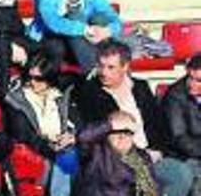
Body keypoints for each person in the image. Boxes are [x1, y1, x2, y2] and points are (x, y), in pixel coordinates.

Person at [74, 40, 195, 196]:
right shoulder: (89, 92)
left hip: (150, 155)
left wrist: (158, 150)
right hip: (115, 160)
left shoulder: (140, 87)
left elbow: (158, 124)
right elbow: (92, 133)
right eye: (101, 66)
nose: (104, 72)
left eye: (111, 67)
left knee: (181, 173)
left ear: (125, 67)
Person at [4, 52, 78, 196]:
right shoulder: (17, 100)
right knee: (64, 160)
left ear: (50, 79)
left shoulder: (59, 96)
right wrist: (51, 147)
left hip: (63, 145)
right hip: (36, 149)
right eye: (29, 77)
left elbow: (76, 123)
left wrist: (71, 136)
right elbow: (22, 134)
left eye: (38, 79)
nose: (32, 82)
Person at [76, 110, 161, 196]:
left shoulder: (140, 156)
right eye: (116, 132)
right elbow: (82, 137)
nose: (122, 137)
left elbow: (151, 188)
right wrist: (112, 124)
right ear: (106, 133)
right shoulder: (95, 151)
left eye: (127, 132)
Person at [162, 53, 201, 181]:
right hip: (184, 156)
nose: (191, 84)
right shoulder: (175, 95)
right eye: (190, 77)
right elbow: (179, 138)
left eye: (199, 80)